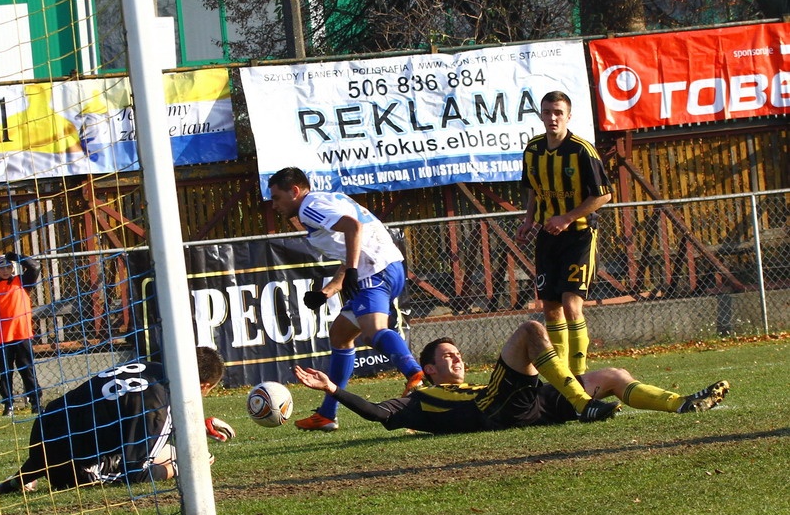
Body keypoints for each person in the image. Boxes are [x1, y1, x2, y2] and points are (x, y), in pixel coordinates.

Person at [293, 320, 729, 435]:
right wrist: (333, 389)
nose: (458, 359)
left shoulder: (467, 382)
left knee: (614, 374)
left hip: (525, 404)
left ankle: (682, 403)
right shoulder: (419, 400)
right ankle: (582, 406)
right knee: (529, 331)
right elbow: (373, 413)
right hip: (496, 408)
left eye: (459, 354)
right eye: (448, 356)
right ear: (427, 369)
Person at [268, 166, 424, 432]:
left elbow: (353, 227)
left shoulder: (308, 206)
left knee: (374, 331)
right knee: (341, 335)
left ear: (295, 191)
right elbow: (352, 246)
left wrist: (352, 269)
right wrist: (327, 292)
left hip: (374, 271)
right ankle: (328, 414)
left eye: (277, 198)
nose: (274, 206)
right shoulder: (326, 200)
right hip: (386, 266)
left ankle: (415, 375)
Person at [0, 346, 235, 495]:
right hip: (74, 469)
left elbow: (124, 411)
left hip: (43, 432)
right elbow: (134, 474)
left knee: (159, 447)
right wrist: (183, 467)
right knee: (175, 456)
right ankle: (36, 475)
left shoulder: (150, 368)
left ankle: (22, 479)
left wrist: (197, 424)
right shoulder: (158, 406)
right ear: (203, 386)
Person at [516, 90, 613, 377]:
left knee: (571, 305)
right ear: (541, 115)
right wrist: (529, 220)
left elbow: (603, 195)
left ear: (569, 116)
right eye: (548, 112)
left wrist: (568, 217)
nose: (553, 118)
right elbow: (534, 189)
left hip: (579, 236)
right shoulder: (533, 150)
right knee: (550, 308)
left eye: (558, 112)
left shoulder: (582, 150)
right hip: (548, 236)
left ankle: (579, 376)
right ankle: (561, 378)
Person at [0, 251, 43, 415]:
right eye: (2, 268)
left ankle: (35, 402)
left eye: (8, 266)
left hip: (22, 334)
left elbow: (35, 267)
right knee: (6, 372)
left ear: (13, 268)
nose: (5, 271)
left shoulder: (22, 281)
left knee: (27, 369)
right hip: (2, 337)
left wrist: (18, 257)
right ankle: (9, 405)